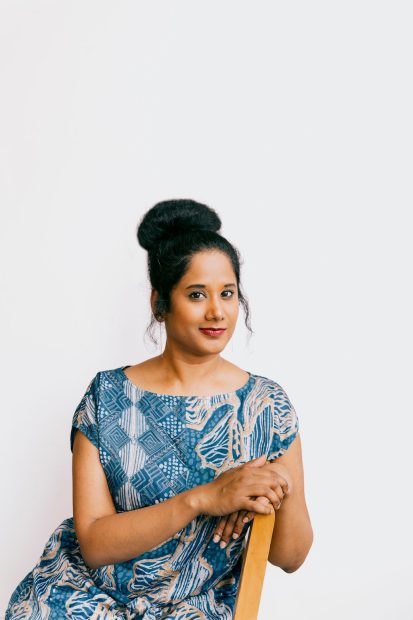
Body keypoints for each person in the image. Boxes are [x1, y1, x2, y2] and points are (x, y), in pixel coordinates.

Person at [5, 199, 313, 619]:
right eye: (196, 294)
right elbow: (94, 544)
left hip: (195, 607)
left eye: (228, 293)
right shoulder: (106, 395)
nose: (216, 311)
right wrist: (204, 498)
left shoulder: (266, 408)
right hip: (81, 595)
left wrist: (279, 486)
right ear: (159, 302)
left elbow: (291, 557)